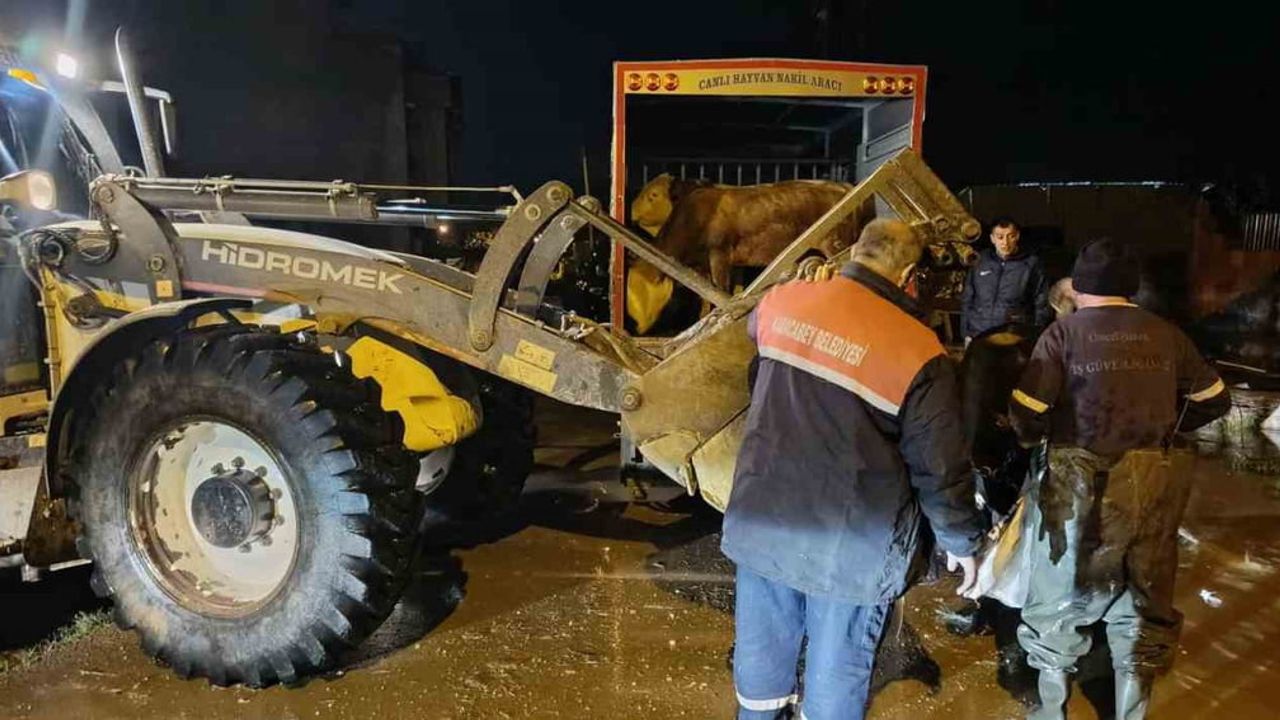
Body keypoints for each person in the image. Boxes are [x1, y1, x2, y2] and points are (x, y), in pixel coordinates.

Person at [722, 218, 985, 720]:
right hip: (851, 546)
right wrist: (962, 544)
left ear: (855, 253)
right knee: (837, 675)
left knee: (761, 664)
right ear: (908, 274)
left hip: (765, 522)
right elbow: (939, 467)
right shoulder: (919, 350)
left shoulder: (782, 302)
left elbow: (758, 348)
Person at [1008, 239, 1231, 720]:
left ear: (1082, 285)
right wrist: (1168, 427)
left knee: (1060, 598)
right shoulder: (1166, 334)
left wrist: (1034, 440)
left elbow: (1027, 412)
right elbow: (1215, 399)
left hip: (1078, 480)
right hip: (1154, 480)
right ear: (1129, 289)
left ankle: (1051, 712)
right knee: (1144, 596)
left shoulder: (1063, 334)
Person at [962, 217, 1051, 342]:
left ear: (1017, 236)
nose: (1005, 242)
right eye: (1000, 237)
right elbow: (968, 298)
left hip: (1012, 335)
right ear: (992, 238)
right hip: (979, 333)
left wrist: (1035, 335)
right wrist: (966, 333)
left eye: (1010, 236)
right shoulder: (980, 261)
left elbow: (1041, 303)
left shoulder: (1031, 264)